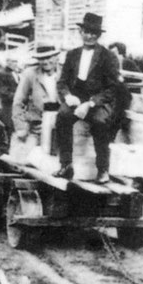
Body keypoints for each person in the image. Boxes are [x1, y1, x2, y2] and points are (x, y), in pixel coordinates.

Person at [54, 12, 120, 184]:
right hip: (76, 99)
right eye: (87, 32)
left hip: (97, 101)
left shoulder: (107, 56)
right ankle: (66, 164)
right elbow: (61, 82)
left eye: (94, 33)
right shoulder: (72, 54)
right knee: (62, 116)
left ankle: (103, 169)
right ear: (80, 32)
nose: (90, 36)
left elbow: (112, 88)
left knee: (100, 122)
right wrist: (68, 96)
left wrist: (91, 103)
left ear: (98, 36)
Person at [12, 45, 60, 146]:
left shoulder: (66, 73)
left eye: (49, 57)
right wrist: (21, 127)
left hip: (61, 123)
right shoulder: (30, 74)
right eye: (42, 59)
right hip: (38, 124)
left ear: (56, 57)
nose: (46, 62)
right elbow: (18, 102)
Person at [0, 58, 19, 133]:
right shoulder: (2, 74)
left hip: (16, 105)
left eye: (16, 61)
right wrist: (17, 96)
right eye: (13, 61)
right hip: (7, 105)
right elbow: (2, 92)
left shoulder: (15, 73)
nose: (15, 64)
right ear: (7, 62)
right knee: (8, 126)